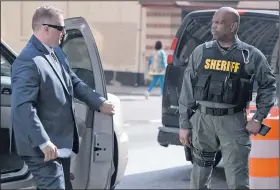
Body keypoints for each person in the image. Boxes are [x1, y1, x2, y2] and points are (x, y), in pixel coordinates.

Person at [10, 5, 115, 189]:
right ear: (45, 28)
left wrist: (99, 102)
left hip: (59, 144)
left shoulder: (56, 52)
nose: (63, 32)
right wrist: (43, 141)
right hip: (41, 149)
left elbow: (73, 82)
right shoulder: (28, 60)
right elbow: (23, 107)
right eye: (60, 28)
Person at [178, 7, 276, 189]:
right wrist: (184, 124)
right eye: (213, 22)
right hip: (202, 122)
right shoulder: (201, 52)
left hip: (233, 122)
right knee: (198, 179)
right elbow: (187, 90)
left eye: (219, 23)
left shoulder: (250, 55)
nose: (213, 26)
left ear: (233, 27)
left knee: (237, 180)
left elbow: (268, 86)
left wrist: (258, 118)